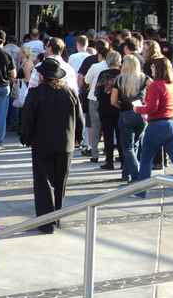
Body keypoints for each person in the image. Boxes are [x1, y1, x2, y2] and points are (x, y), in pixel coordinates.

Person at [20, 57, 83, 234]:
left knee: (42, 182)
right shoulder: (69, 92)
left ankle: (46, 222)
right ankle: (57, 217)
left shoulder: (35, 93)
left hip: (42, 143)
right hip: (65, 144)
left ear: (42, 75)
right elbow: (79, 118)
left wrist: (25, 136)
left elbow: (27, 118)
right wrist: (78, 137)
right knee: (60, 182)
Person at [134, 58, 173, 196]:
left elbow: (152, 108)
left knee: (146, 159)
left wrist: (137, 109)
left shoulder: (156, 85)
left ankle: (141, 191)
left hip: (158, 125)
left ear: (159, 69)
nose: (152, 70)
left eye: (154, 68)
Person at [111, 54, 150, 182]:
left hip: (126, 113)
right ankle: (125, 174)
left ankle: (135, 176)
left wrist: (121, 107)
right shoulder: (144, 78)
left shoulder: (119, 79)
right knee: (136, 145)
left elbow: (113, 101)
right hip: (142, 114)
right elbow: (156, 90)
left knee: (127, 147)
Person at [82, 42, 110, 163]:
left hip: (94, 98)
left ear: (99, 55)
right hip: (109, 98)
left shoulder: (95, 66)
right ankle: (108, 152)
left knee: (95, 126)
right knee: (108, 127)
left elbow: (87, 80)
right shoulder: (113, 67)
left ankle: (94, 154)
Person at [95, 51, 122, 171]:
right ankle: (123, 160)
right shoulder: (122, 74)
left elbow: (97, 92)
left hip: (105, 108)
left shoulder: (103, 74)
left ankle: (109, 161)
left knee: (108, 136)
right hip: (119, 108)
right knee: (121, 135)